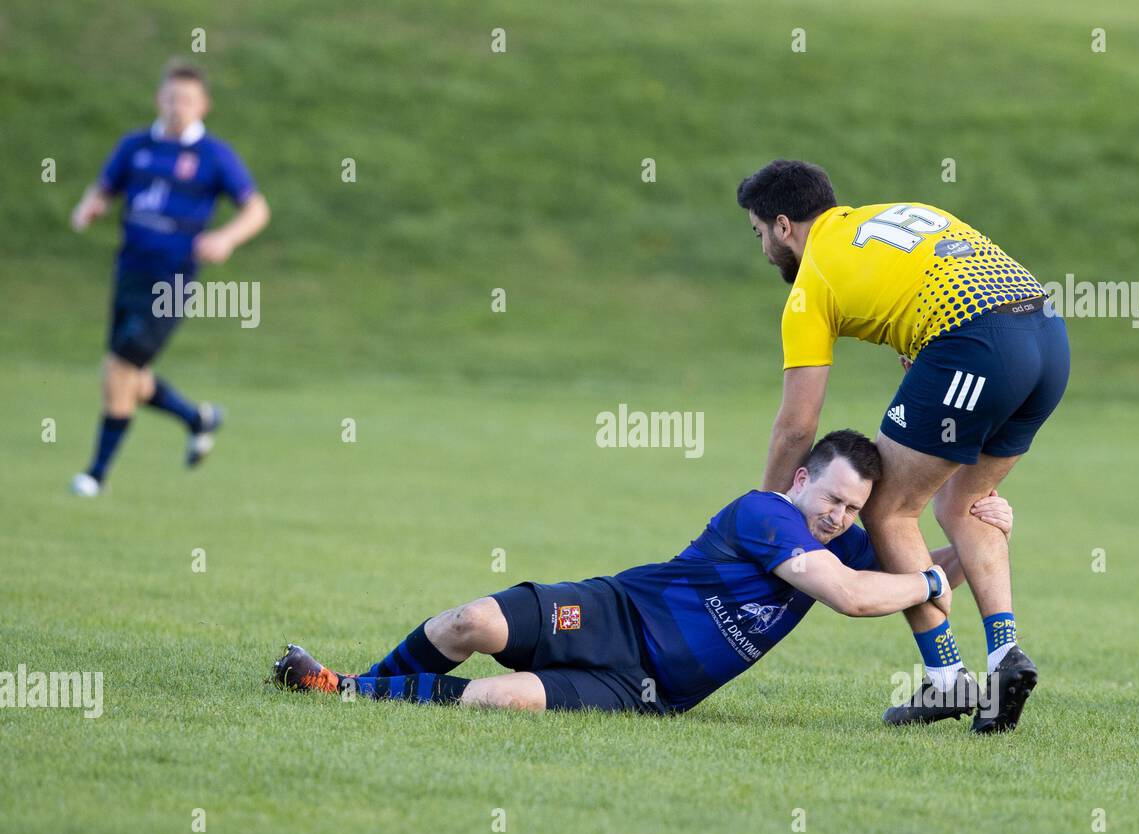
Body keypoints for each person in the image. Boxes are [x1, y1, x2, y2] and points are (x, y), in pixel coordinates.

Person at [271, 430, 1017, 728]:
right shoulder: (765, 514)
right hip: (615, 612)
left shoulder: (843, 542)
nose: (840, 517)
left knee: (498, 699)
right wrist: (925, 588)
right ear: (801, 480)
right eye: (832, 500)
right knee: (472, 624)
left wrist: (972, 539)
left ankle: (342, 692)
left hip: (646, 691)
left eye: (854, 509)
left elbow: (912, 572)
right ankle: (355, 684)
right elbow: (863, 597)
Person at [736, 159, 1069, 732]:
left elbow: (797, 426)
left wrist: (765, 514)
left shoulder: (812, 281)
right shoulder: (897, 213)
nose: (764, 249)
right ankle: (1004, 656)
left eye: (760, 233)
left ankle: (947, 679)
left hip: (978, 344)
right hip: (1048, 337)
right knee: (964, 503)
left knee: (887, 506)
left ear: (784, 225)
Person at [68, 59, 270, 496]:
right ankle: (197, 419)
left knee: (118, 368)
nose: (178, 107)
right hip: (129, 274)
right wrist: (91, 205)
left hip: (172, 282)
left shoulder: (215, 156)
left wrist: (227, 238)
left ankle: (95, 475)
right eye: (171, 97)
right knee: (132, 377)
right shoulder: (135, 146)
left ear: (204, 106)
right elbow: (105, 187)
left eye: (188, 100)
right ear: (159, 99)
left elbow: (257, 210)